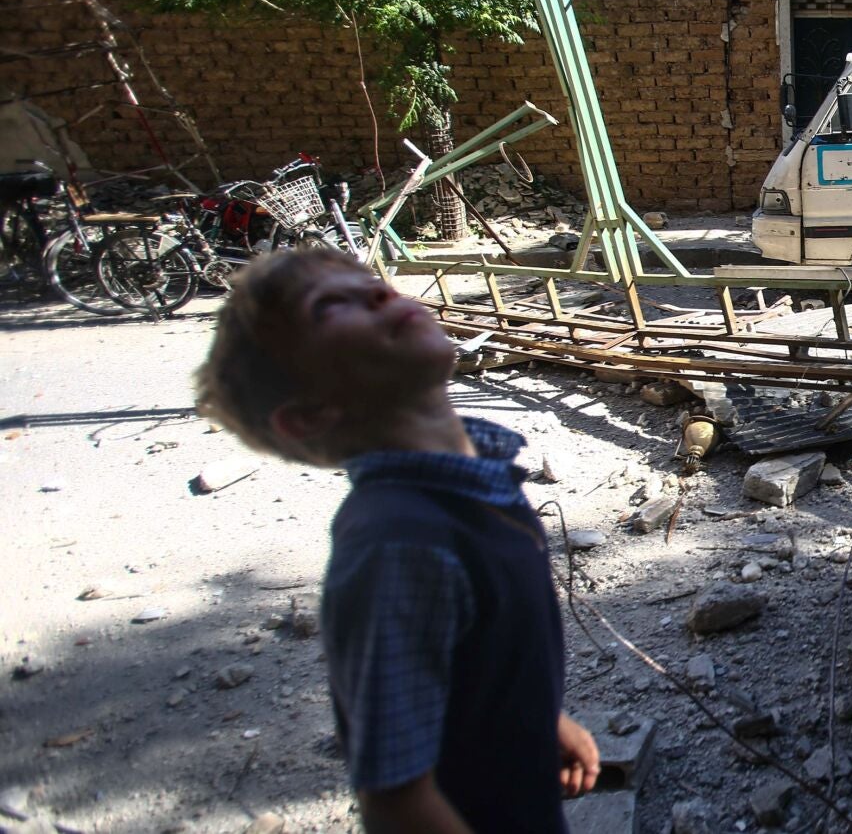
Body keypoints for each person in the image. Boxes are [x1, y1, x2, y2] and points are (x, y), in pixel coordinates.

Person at [194, 248, 597, 832]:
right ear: (308, 414)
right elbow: (395, 799)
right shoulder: (400, 544)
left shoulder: (479, 483)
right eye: (331, 305)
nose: (381, 293)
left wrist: (540, 721)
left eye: (371, 283)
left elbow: (467, 657)